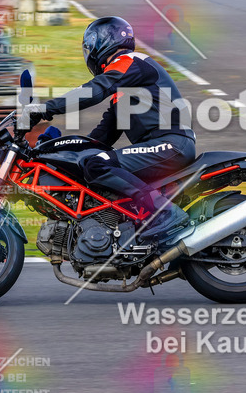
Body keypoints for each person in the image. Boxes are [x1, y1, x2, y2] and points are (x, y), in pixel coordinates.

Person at [24, 16, 195, 244]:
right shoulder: (124, 91)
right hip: (162, 147)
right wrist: (55, 148)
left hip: (172, 144)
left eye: (90, 45)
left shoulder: (130, 61)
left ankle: (163, 213)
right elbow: (100, 138)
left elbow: (94, 90)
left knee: (98, 164)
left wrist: (45, 109)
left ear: (103, 41)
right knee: (92, 161)